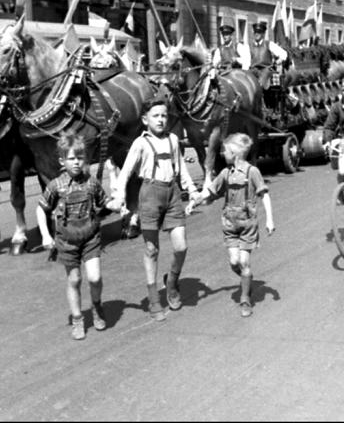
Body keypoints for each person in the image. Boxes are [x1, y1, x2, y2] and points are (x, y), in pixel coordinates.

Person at [110, 98, 200, 321]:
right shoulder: (140, 143)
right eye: (155, 116)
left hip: (172, 194)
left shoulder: (173, 139)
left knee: (181, 246)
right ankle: (153, 299)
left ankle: (171, 282)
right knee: (152, 249)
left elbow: (181, 170)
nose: (160, 120)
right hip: (149, 195)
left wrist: (193, 190)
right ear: (145, 120)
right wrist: (119, 195)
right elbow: (126, 172)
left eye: (163, 116)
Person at [36, 133, 121, 340]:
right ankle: (77, 318)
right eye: (72, 158)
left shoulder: (91, 183)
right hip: (67, 241)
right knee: (74, 280)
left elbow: (104, 203)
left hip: (91, 237)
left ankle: (96, 306)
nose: (76, 162)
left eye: (80, 158)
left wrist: (115, 205)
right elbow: (41, 209)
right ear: (62, 161)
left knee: (95, 277)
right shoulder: (56, 185)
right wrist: (45, 236)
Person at [185, 133, 275, 317]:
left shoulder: (252, 172)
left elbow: (264, 194)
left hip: (248, 223)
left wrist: (270, 219)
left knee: (244, 261)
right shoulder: (226, 173)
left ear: (234, 152)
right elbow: (209, 192)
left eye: (225, 150)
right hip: (230, 224)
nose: (222, 154)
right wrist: (194, 202)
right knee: (234, 262)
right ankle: (246, 278)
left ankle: (245, 299)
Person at [240, 21, 288, 88]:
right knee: (248, 81)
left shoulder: (269, 44)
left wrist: (278, 61)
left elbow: (284, 54)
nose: (256, 34)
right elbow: (246, 62)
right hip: (254, 69)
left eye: (259, 32)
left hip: (266, 69)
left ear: (263, 34)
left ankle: (261, 94)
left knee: (261, 82)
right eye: (255, 32)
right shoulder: (249, 47)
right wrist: (244, 73)